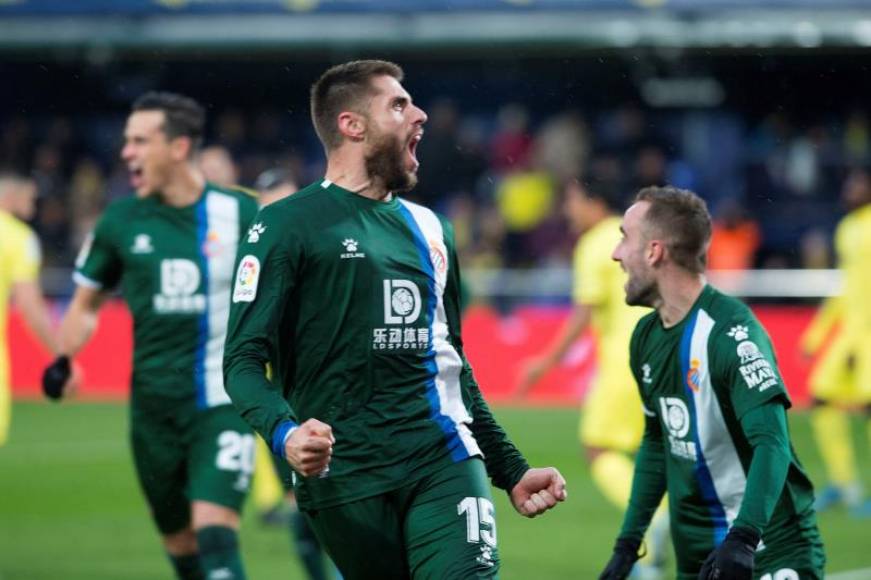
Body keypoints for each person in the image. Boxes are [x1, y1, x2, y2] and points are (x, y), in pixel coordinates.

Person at [223, 60, 566, 580]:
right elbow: (242, 361)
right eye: (399, 105)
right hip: (344, 479)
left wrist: (510, 468)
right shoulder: (283, 225)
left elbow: (452, 368)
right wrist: (285, 433)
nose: (420, 115)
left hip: (442, 460)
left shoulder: (433, 230)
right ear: (351, 125)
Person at [41, 92, 259, 580]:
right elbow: (85, 304)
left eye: (140, 141)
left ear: (178, 147)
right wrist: (66, 356)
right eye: (126, 141)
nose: (126, 153)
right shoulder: (120, 222)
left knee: (216, 533)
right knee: (182, 547)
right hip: (153, 411)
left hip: (223, 400)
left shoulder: (241, 215)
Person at [600, 186, 824, 580]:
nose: (616, 254)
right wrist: (626, 545)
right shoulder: (645, 339)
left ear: (654, 251)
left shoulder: (732, 334)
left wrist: (743, 539)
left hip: (765, 551)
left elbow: (771, 444)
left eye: (624, 238)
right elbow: (658, 441)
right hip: (697, 560)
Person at [515, 177, 667, 576]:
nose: (569, 210)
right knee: (650, 450)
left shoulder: (596, 242)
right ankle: (667, 528)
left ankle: (659, 522)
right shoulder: (638, 232)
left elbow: (583, 314)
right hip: (660, 352)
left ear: (593, 201)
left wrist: (543, 363)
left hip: (623, 360)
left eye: (572, 200)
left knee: (598, 449)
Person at [800, 167, 871, 516]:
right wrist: (816, 336)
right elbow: (849, 288)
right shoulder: (848, 228)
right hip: (851, 334)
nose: (849, 188)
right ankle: (845, 483)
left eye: (856, 182)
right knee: (822, 399)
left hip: (868, 336)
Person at [0, 172, 60, 446]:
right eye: (29, 198)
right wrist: (60, 354)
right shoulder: (18, 238)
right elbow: (30, 306)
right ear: (11, 198)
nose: (34, 205)